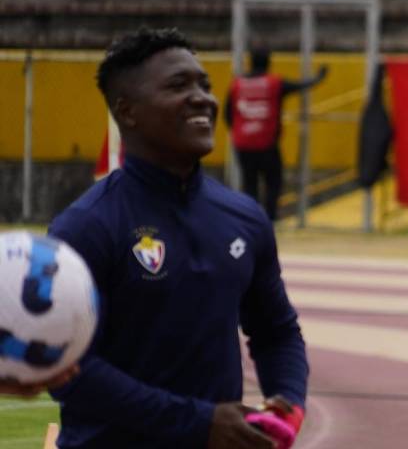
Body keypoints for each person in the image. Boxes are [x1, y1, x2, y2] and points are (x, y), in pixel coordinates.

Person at [47, 28, 309, 448]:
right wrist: (200, 423)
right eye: (178, 85)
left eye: (204, 85)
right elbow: (70, 371)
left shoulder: (245, 218)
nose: (203, 98)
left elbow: (276, 330)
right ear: (127, 111)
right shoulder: (84, 228)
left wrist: (288, 401)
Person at [225, 51, 328, 221]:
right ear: (268, 64)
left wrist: (238, 132)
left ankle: (251, 219)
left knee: (250, 184)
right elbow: (300, 85)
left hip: (242, 143)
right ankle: (270, 219)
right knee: (274, 182)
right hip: (267, 144)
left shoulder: (237, 84)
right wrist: (319, 77)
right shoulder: (274, 83)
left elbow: (228, 114)